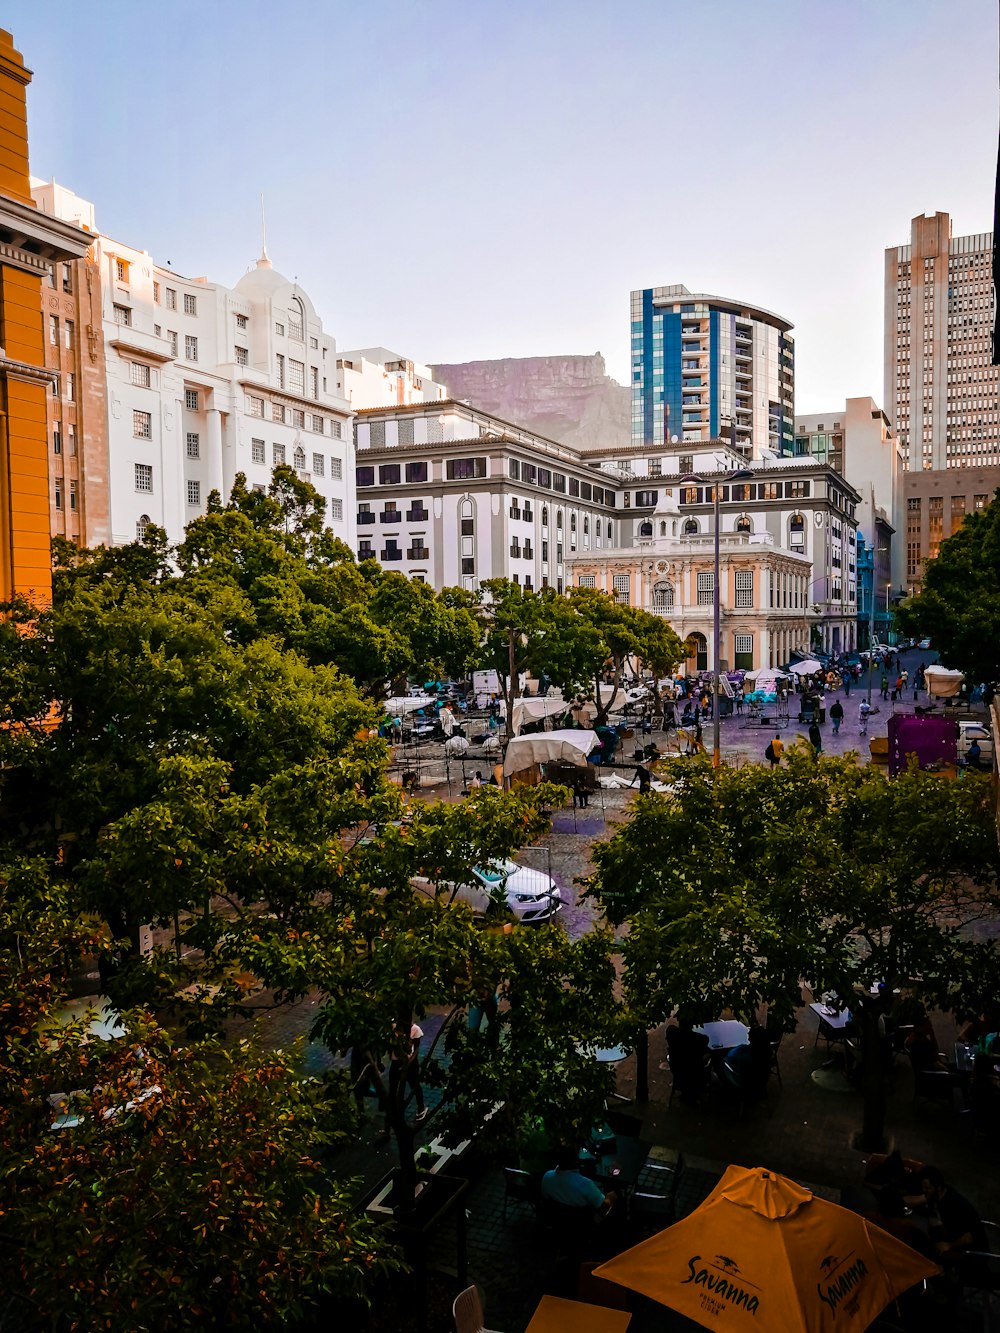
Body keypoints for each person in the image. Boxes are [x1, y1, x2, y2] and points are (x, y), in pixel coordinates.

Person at [920, 1165, 988, 1271]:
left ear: (938, 1187)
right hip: (957, 1241)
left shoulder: (954, 1205)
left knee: (930, 1255)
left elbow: (970, 1237)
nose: (924, 1191)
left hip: (973, 1253)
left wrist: (949, 1245)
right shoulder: (941, 1194)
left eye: (928, 1188)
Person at [541, 1148, 617, 1217]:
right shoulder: (585, 1184)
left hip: (557, 1218)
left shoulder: (547, 1176)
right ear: (575, 1161)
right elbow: (603, 1208)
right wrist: (610, 1197)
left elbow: (545, 1197)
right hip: (582, 1223)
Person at [387, 1020, 427, 1127]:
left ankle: (421, 1107)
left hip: (410, 1063)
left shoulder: (415, 1029)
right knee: (393, 1088)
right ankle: (392, 1113)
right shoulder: (394, 1028)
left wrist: (408, 1063)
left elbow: (416, 1049)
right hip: (396, 1062)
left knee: (414, 1085)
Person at [665, 1017, 710, 1104]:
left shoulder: (671, 1033)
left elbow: (670, 1028)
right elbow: (705, 1040)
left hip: (677, 1069)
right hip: (694, 1071)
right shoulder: (700, 1039)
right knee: (709, 1056)